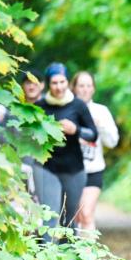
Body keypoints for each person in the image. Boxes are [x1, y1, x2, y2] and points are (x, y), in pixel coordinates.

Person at [32, 62, 98, 240]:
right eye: (54, 83)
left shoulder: (78, 105)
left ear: (68, 83)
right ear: (47, 85)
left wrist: (75, 130)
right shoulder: (39, 106)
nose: (59, 87)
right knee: (50, 216)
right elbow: (28, 136)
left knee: (70, 220)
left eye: (62, 82)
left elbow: (93, 134)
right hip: (46, 167)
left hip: (73, 168)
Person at [71, 71, 119, 260]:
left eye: (88, 85)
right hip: (70, 170)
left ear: (93, 88)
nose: (85, 89)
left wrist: (101, 127)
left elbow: (112, 142)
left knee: (87, 214)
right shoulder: (68, 109)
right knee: (74, 216)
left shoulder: (101, 111)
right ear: (74, 88)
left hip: (94, 169)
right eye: (81, 85)